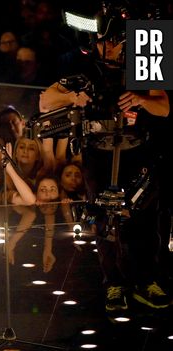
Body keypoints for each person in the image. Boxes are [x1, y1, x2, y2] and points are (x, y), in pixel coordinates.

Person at [39, 11, 171, 311]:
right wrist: (74, 98)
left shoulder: (144, 49)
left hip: (137, 149)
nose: (107, 48)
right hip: (97, 151)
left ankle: (147, 280)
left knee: (144, 217)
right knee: (102, 218)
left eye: (113, 42)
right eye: (102, 42)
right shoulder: (80, 60)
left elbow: (163, 107)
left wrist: (140, 100)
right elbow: (46, 101)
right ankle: (113, 284)